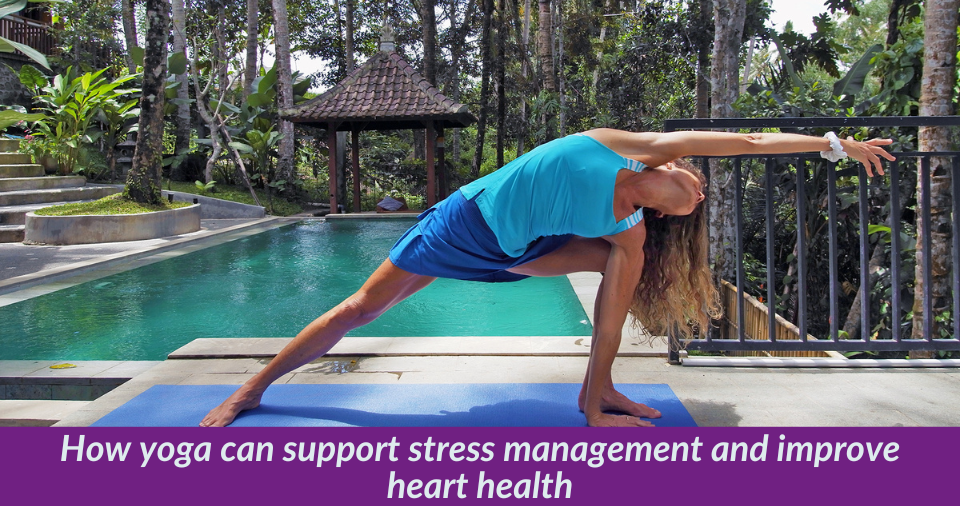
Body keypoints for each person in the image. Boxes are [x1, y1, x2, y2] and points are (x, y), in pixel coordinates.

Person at [201, 128, 894, 427]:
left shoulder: (630, 236)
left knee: (620, 274)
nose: (698, 183)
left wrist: (594, 404)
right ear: (673, 168)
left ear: (674, 209)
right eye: (694, 175)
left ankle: (599, 391)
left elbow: (609, 323)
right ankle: (251, 389)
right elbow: (749, 142)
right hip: (464, 224)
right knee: (362, 309)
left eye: (698, 195)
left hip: (514, 254)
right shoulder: (635, 148)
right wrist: (836, 145)